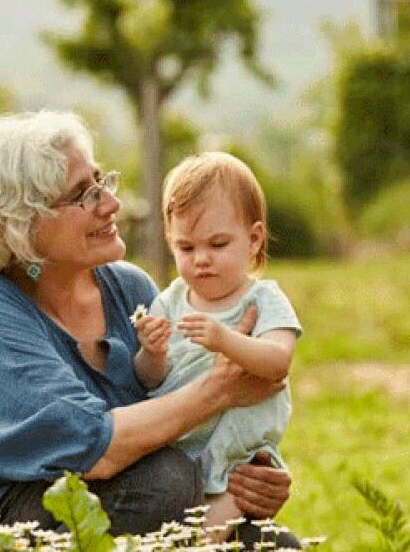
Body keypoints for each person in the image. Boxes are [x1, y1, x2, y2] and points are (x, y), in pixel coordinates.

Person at [0, 111, 298, 549]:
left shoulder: (128, 288)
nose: (111, 204)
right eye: (84, 194)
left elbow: (174, 414)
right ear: (21, 223)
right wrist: (222, 389)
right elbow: (95, 449)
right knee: (164, 483)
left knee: (272, 543)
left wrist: (252, 472)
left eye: (102, 182)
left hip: (103, 497)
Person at [133, 152, 300, 543]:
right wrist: (152, 353)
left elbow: (278, 363)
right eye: (186, 248)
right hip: (182, 441)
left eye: (218, 244)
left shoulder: (262, 300)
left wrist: (226, 339)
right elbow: (148, 380)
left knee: (204, 534)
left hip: (238, 452)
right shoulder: (169, 300)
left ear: (254, 238)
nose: (202, 260)